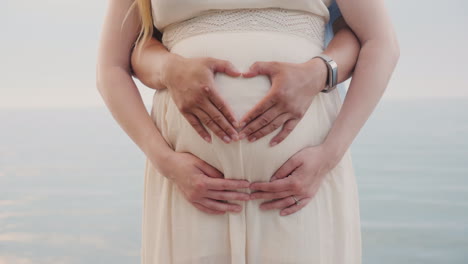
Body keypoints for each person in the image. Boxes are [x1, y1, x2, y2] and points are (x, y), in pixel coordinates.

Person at [96, 0, 400, 263]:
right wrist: (165, 162)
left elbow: (379, 41)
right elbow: (112, 67)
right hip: (189, 186)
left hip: (303, 183)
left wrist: (328, 156)